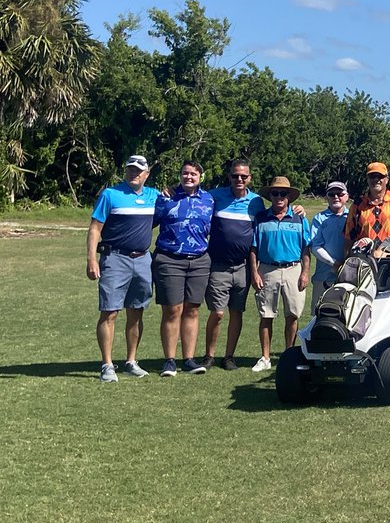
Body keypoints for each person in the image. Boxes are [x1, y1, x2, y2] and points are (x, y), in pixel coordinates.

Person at [85, 155, 159, 382]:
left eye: (139, 171)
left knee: (136, 312)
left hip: (143, 259)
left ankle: (131, 361)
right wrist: (91, 259)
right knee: (110, 312)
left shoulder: (154, 196)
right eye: (130, 170)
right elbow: (95, 228)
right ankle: (107, 365)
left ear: (146, 175)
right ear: (125, 172)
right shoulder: (110, 195)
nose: (134, 174)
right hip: (114, 258)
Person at [152, 160, 215, 376]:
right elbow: (148, 221)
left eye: (193, 174)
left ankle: (188, 359)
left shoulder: (209, 199)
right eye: (185, 173)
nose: (189, 177)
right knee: (172, 310)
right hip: (170, 259)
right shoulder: (166, 197)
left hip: (198, 261)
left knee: (192, 309)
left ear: (201, 176)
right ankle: (169, 360)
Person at [202, 160, 265, 371]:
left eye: (243, 176)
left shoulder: (256, 202)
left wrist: (297, 207)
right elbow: (192, 194)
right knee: (217, 313)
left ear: (250, 178)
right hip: (218, 265)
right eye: (235, 176)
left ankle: (229, 356)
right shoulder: (215, 196)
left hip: (243, 267)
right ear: (229, 176)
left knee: (236, 312)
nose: (239, 179)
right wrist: (173, 189)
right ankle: (209, 355)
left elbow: (276, 212)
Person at [248, 177, 311, 372]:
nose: (279, 197)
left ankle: (288, 355)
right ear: (270, 196)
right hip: (267, 269)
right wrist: (254, 273)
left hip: (294, 269)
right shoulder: (261, 218)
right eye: (275, 193)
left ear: (289, 197)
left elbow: (306, 249)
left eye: (283, 193)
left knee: (292, 315)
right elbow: (253, 249)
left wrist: (305, 273)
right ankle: (265, 357)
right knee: (266, 315)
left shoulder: (300, 218)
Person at [345, 161, 390, 250]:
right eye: (372, 176)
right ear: (367, 179)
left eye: (380, 176)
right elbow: (349, 238)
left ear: (387, 179)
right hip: (366, 259)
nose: (376, 180)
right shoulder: (357, 205)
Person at [309, 181, 350, 314]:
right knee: (319, 316)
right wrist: (334, 263)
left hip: (349, 276)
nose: (336, 197)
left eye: (340, 193)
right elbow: (315, 246)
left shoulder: (353, 217)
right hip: (324, 276)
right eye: (332, 194)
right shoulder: (319, 218)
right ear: (327, 197)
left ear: (347, 196)